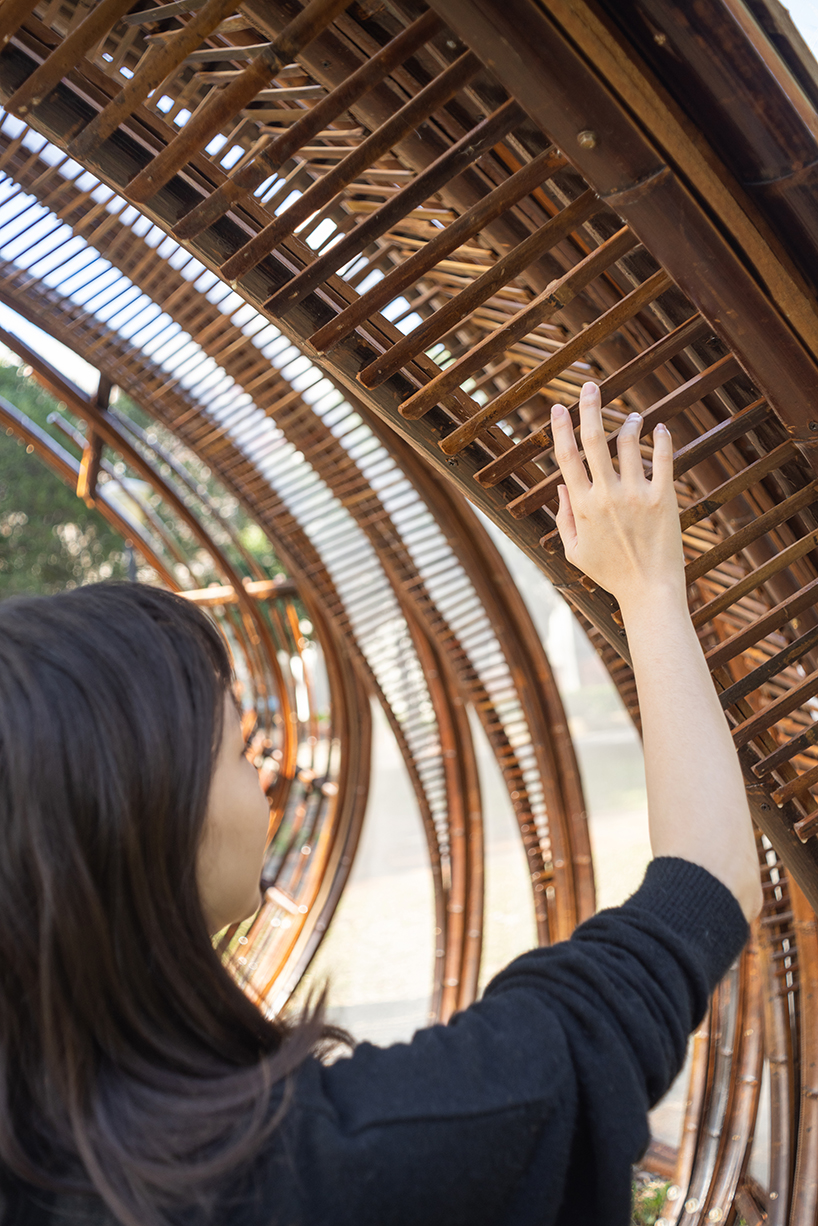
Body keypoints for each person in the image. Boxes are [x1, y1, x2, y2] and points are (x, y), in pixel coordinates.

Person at [0, 383, 761, 1226]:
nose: (269, 778)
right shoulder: (370, 1154)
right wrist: (650, 586)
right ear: (145, 828)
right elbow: (709, 880)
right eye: (238, 753)